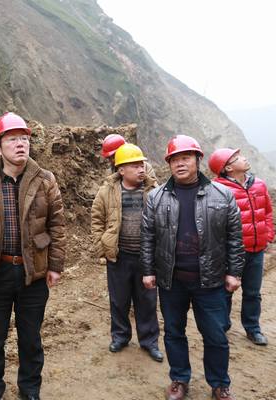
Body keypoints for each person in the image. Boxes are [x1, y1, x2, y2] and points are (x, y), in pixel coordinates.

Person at [0, 112, 66, 400]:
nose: (21, 144)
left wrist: (55, 265)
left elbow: (57, 225)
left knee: (30, 338)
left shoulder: (45, 180)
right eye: (12, 139)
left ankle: (30, 389)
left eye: (24, 139)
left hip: (34, 271)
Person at [140, 135, 244, 400]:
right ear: (169, 164)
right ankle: (179, 379)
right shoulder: (156, 197)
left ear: (198, 160)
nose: (180, 163)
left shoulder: (222, 195)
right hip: (172, 280)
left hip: (210, 281)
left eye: (185, 157)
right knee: (174, 332)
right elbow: (148, 237)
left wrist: (234, 272)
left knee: (215, 335)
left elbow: (234, 237)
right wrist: (148, 271)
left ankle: (219, 384)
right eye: (174, 159)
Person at [91, 143, 162, 362]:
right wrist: (102, 246)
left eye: (141, 165)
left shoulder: (154, 191)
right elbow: (97, 219)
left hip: (146, 257)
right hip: (119, 256)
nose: (141, 169)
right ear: (121, 170)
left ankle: (149, 341)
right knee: (119, 300)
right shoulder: (107, 191)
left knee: (147, 300)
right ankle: (120, 336)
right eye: (134, 165)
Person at [209, 148, 274, 345]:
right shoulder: (217, 189)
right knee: (225, 291)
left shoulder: (259, 184)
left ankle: (253, 329)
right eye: (237, 158)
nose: (244, 159)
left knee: (253, 293)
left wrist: (268, 235)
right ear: (228, 168)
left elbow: (267, 212)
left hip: (256, 250)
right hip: (231, 253)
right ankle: (222, 327)